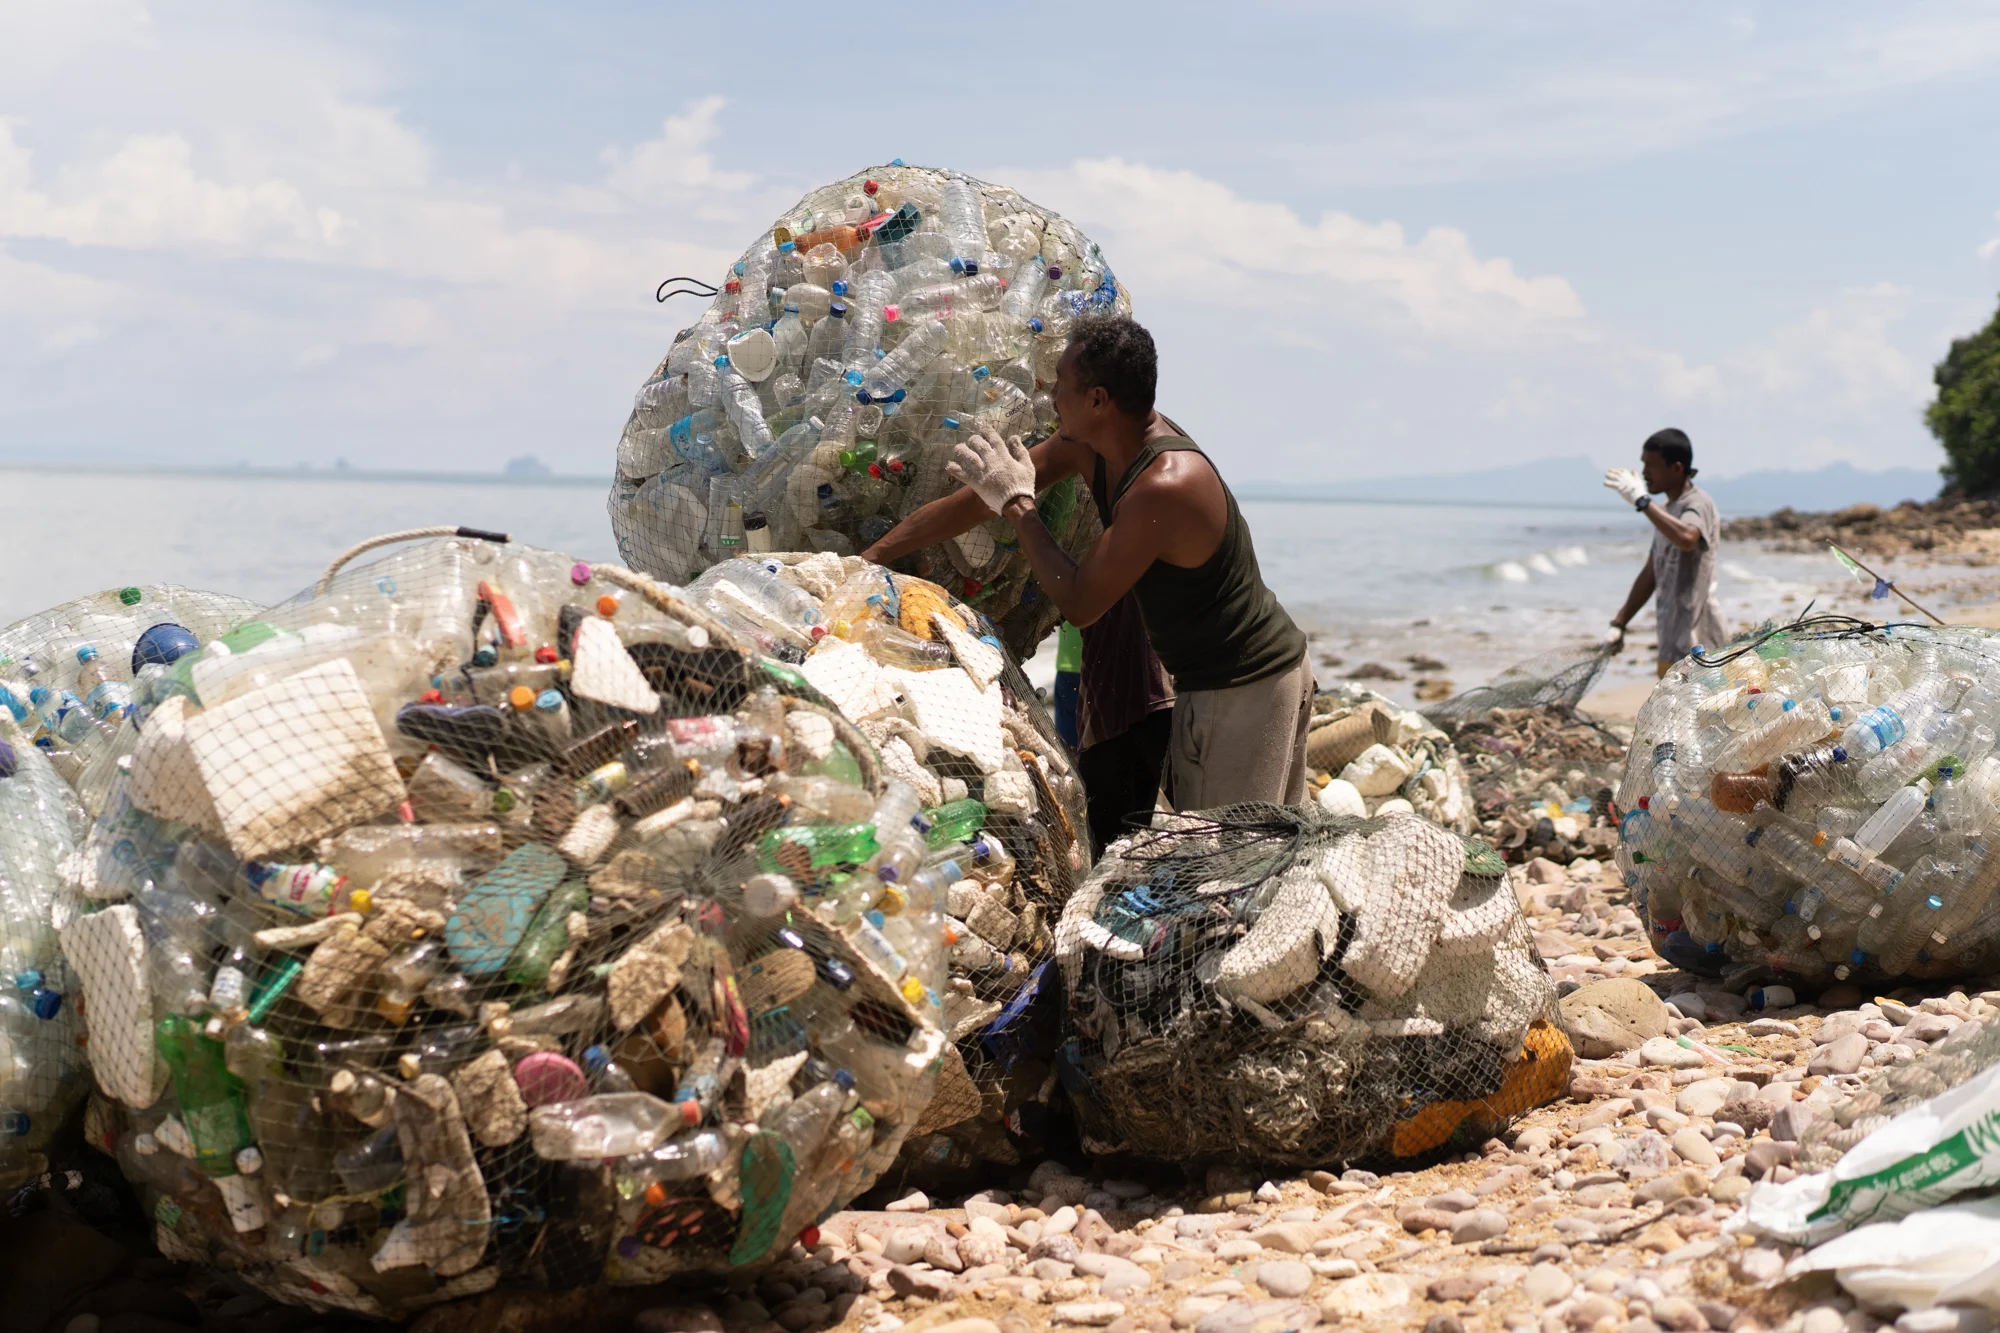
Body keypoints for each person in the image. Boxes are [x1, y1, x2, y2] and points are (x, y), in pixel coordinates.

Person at [860, 315, 1312, 813]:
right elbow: (981, 499)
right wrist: (875, 555)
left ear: (1098, 400)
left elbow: (1080, 603)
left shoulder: (1164, 485)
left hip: (1246, 686)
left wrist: (1018, 505)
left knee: (1224, 847)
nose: (1053, 395)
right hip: (1223, 680)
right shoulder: (1093, 444)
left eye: (1061, 383)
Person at [1604, 428, 1728, 676]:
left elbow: (1687, 537)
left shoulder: (1698, 502)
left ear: (1676, 468)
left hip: (1701, 645)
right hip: (1670, 641)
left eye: (1651, 466)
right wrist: (1620, 622)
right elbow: (1651, 573)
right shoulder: (1666, 511)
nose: (1644, 473)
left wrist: (1642, 501)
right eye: (1643, 465)